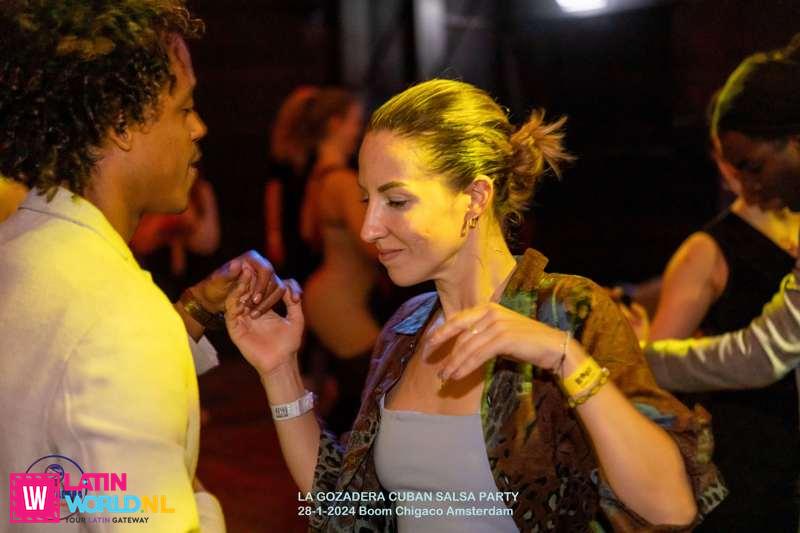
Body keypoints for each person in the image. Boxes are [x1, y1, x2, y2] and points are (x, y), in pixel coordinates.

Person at [225, 79, 725, 532]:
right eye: (366, 201)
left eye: (396, 201)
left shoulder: (568, 311)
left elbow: (671, 507)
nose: (370, 228)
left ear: (475, 197)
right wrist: (279, 371)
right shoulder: (405, 330)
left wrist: (565, 357)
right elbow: (351, 512)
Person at [0, 2, 284, 530]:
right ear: (121, 123)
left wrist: (192, 311)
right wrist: (192, 492)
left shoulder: (19, 252)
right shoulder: (120, 315)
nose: (199, 128)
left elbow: (31, 488)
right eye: (184, 108)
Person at [628, 34, 800, 533]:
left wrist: (640, 355)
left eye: (753, 165)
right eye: (734, 169)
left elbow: (764, 353)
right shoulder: (707, 247)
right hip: (752, 469)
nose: (749, 185)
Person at [299, 88, 381, 433]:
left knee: (354, 398)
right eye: (355, 123)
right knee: (372, 393)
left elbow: (307, 233)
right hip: (338, 303)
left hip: (325, 297)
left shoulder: (317, 178)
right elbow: (372, 244)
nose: (358, 132)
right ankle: (322, 462)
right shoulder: (343, 183)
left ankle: (323, 460)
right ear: (335, 124)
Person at [264, 85, 320, 281]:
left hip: (312, 221)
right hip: (291, 219)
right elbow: (274, 193)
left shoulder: (318, 148)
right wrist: (274, 235)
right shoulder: (284, 150)